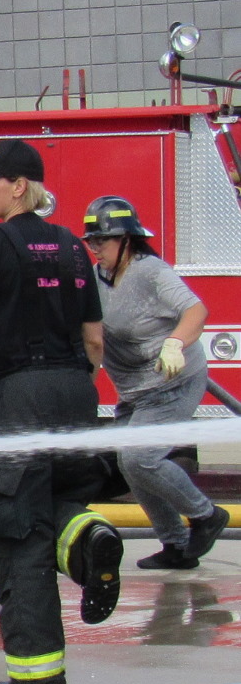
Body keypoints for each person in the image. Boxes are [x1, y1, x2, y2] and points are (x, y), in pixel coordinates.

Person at [0, 139, 125, 684]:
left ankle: (35, 676)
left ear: (18, 186)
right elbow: (95, 340)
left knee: (8, 529)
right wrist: (68, 387)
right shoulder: (72, 248)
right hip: (74, 395)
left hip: (17, 398)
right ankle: (87, 535)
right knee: (49, 502)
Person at [84, 195, 229, 569]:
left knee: (140, 457)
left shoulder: (149, 271)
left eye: (103, 240)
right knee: (130, 464)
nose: (96, 248)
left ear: (127, 240)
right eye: (92, 241)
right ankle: (177, 547)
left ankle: (207, 516)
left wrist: (175, 342)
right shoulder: (98, 278)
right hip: (136, 390)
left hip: (173, 382)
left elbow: (196, 310)